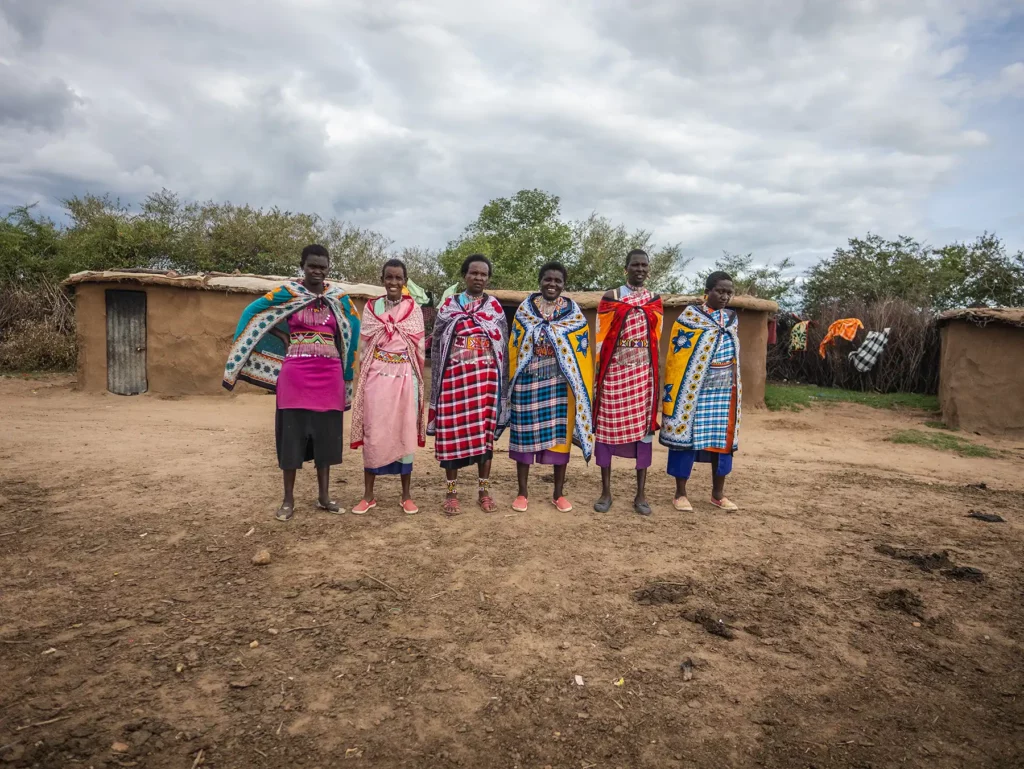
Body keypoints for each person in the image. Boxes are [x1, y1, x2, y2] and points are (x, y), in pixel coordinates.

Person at [222, 244, 360, 522]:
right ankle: (288, 499)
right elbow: (254, 312)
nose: (317, 271)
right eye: (312, 266)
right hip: (295, 375)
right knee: (291, 437)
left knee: (325, 438)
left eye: (322, 266)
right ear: (303, 266)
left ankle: (323, 496)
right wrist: (284, 337)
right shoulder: (288, 294)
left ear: (328, 268)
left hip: (329, 375)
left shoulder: (340, 298)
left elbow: (352, 327)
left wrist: (346, 366)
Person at [499, 262, 594, 513]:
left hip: (560, 384)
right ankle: (522, 493)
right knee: (523, 436)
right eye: (547, 279)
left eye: (558, 281)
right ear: (540, 281)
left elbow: (581, 347)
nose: (552, 284)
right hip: (527, 381)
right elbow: (515, 344)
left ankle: (558, 493)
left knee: (560, 440)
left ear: (564, 285)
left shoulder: (573, 312)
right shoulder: (525, 310)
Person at [428, 254, 509, 516]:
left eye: (484, 274)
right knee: (451, 434)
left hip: (486, 382)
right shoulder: (449, 306)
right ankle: (451, 493)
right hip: (454, 380)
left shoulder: (494, 308)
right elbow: (439, 340)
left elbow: (502, 347)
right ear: (464, 275)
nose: (479, 278)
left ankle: (483, 490)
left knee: (484, 438)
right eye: (474, 273)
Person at [349, 258, 426, 515]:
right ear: (382, 279)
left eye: (398, 278)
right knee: (374, 431)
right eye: (389, 277)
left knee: (403, 430)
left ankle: (406, 496)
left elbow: (418, 344)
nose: (393, 282)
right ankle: (368, 495)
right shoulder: (372, 308)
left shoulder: (413, 309)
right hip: (377, 376)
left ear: (405, 281)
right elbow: (366, 342)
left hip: (405, 376)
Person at [661, 271, 741, 512]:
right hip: (693, 391)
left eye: (729, 292)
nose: (725, 296)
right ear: (707, 291)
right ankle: (680, 494)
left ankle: (718, 494)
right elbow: (678, 355)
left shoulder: (731, 319)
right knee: (686, 441)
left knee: (722, 441)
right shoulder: (691, 318)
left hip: (724, 392)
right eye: (720, 291)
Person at [592, 249, 664, 515]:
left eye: (644, 265)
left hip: (642, 376)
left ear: (649, 269)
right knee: (607, 430)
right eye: (635, 265)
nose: (640, 269)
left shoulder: (655, 301)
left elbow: (655, 339)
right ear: (626, 268)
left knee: (644, 434)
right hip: (614, 373)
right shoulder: (611, 298)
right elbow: (602, 338)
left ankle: (641, 495)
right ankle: (606, 492)